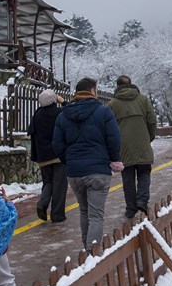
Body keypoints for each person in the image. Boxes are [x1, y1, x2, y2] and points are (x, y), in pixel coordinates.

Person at [52, 77, 123, 253]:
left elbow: (57, 144)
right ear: (92, 91)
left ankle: (86, 250)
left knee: (84, 211)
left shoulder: (63, 116)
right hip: (98, 171)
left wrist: (68, 160)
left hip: (75, 172)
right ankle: (92, 254)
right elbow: (114, 139)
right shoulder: (104, 112)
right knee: (96, 215)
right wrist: (114, 159)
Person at [108, 75, 158, 219]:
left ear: (117, 87)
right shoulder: (143, 99)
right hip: (142, 143)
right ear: (131, 85)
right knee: (144, 172)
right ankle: (142, 200)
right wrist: (148, 137)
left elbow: (109, 128)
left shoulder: (112, 104)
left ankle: (131, 209)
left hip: (123, 147)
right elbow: (152, 120)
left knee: (128, 179)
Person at [28, 89, 67, 223]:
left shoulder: (37, 115)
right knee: (60, 184)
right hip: (59, 154)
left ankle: (42, 203)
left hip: (43, 156)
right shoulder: (59, 113)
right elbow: (72, 112)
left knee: (48, 181)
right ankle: (57, 214)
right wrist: (63, 101)